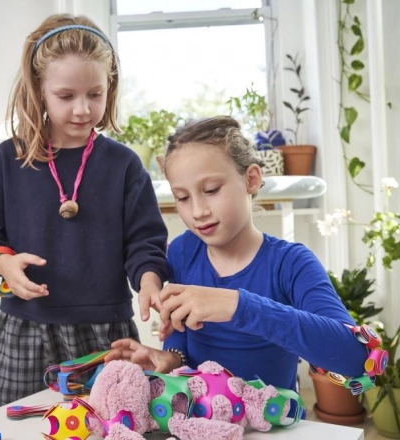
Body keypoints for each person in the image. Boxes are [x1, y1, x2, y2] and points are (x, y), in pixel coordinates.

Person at [0, 14, 168, 407]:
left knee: (112, 422)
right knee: (21, 425)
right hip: (25, 327)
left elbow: (145, 240)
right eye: (66, 95)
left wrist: (149, 280)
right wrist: (3, 264)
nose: (82, 109)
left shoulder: (124, 166)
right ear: (39, 91)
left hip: (107, 331)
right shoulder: (7, 161)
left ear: (110, 87)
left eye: (95, 94)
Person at [105, 116, 369, 393]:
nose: (198, 211)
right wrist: (171, 358)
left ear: (251, 180)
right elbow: (181, 332)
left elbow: (356, 360)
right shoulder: (183, 252)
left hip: (273, 428)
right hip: (202, 424)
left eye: (211, 190)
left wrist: (238, 306)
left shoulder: (292, 264)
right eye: (182, 197)